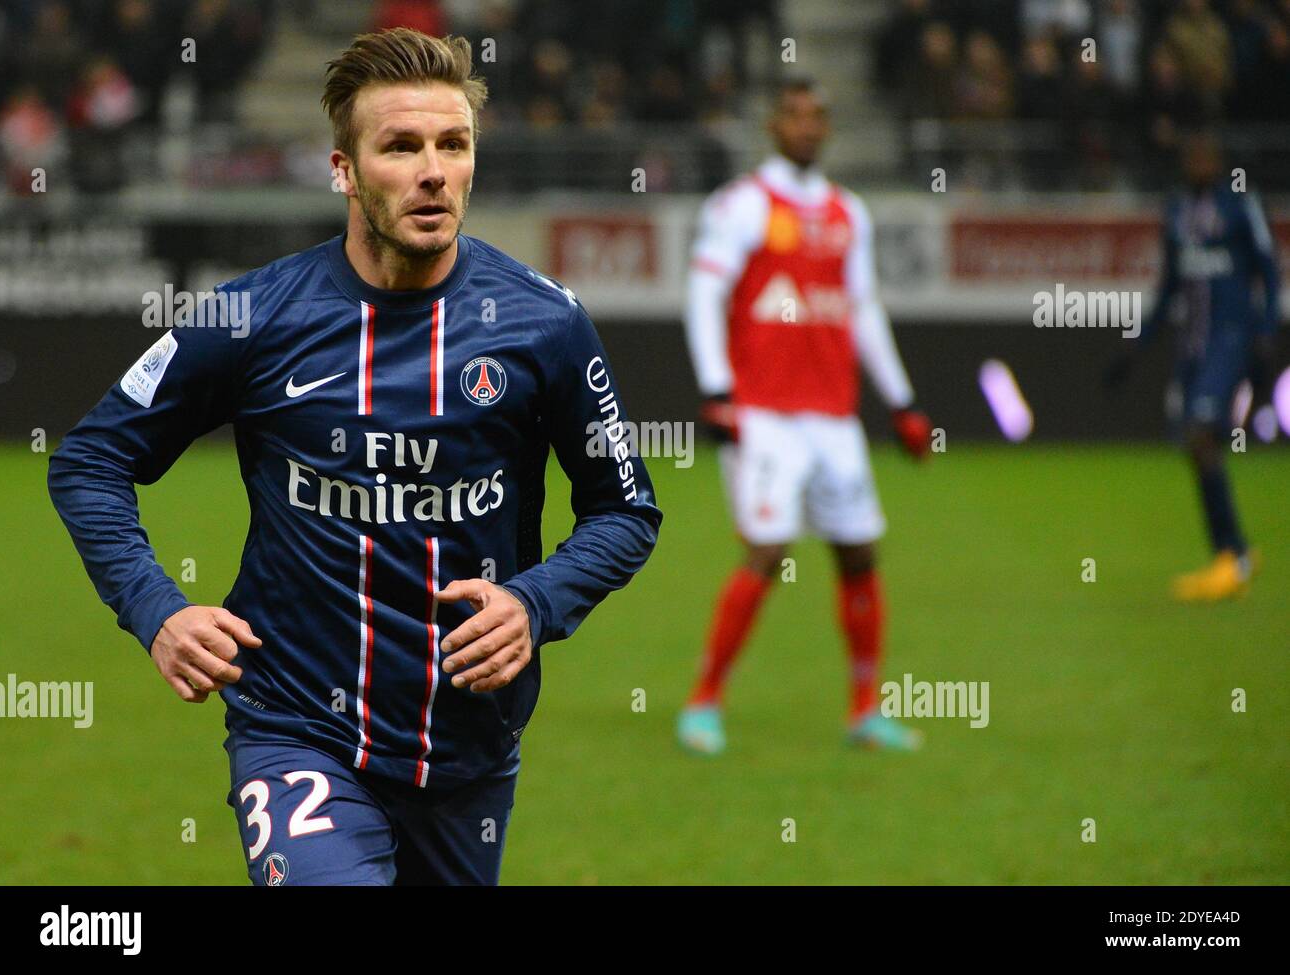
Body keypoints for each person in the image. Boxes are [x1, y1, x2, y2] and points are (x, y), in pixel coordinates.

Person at [48, 28, 661, 885]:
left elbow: (625, 509)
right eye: (401, 146)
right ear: (344, 169)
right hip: (294, 729)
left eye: (454, 144)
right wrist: (157, 609)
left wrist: (535, 601)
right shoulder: (252, 317)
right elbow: (90, 460)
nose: (433, 170)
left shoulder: (546, 325)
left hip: (469, 748)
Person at [677, 78, 933, 755]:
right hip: (763, 414)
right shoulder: (743, 205)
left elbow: (864, 310)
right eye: (794, 115)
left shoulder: (850, 212)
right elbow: (705, 295)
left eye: (818, 116)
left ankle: (863, 708)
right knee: (767, 549)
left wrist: (901, 400)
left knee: (858, 553)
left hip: (833, 415)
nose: (807, 126)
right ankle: (704, 700)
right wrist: (717, 389)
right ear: (773, 125)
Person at [1106, 130, 1279, 601]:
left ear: (1219, 161)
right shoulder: (1178, 212)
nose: (1198, 163)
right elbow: (1169, 289)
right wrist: (1135, 349)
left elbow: (1269, 269)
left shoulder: (1241, 204)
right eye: (1192, 156)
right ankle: (1229, 555)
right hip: (1194, 345)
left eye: (1206, 155)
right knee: (1196, 442)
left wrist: (1266, 334)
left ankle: (1235, 554)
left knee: (1201, 432)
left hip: (1231, 338)